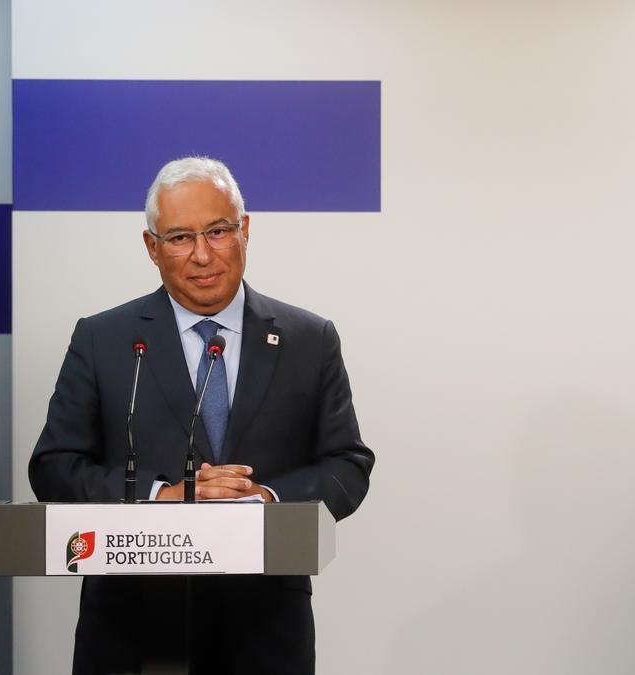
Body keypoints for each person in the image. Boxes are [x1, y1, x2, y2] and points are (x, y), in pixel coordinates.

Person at [29, 156, 375, 674]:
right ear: (152, 248)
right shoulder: (103, 340)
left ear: (246, 231)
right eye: (179, 237)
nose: (201, 255)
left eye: (217, 231)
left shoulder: (309, 339)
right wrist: (163, 498)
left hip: (265, 630)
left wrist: (266, 499)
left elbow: (347, 464)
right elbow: (54, 468)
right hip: (131, 629)